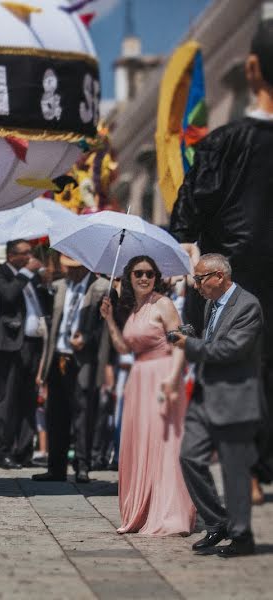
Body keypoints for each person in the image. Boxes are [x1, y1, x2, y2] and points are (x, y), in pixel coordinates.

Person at [170, 17, 273, 504]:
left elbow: (190, 209)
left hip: (234, 283)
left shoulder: (223, 143)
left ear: (252, 70)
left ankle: (246, 473)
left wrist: (187, 249)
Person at [169, 254, 265, 556]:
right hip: (205, 394)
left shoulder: (248, 306)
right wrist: (192, 336)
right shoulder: (212, 303)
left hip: (234, 398)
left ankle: (242, 537)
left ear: (219, 277)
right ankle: (217, 522)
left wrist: (190, 346)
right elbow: (213, 341)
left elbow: (230, 350)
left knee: (234, 472)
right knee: (189, 457)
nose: (195, 285)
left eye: (200, 278)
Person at [100, 256, 195, 536]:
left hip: (162, 376)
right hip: (139, 379)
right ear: (129, 277)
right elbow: (122, 348)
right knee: (140, 443)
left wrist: (172, 378)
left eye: (150, 274)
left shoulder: (163, 304)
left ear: (156, 277)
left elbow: (180, 344)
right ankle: (143, 511)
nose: (144, 278)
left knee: (165, 444)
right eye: (139, 273)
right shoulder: (132, 309)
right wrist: (109, 320)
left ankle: (170, 513)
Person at [33, 256, 110, 484]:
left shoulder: (100, 288)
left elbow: (104, 327)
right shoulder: (60, 287)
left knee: (83, 414)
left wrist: (87, 337)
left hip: (83, 359)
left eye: (77, 268)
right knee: (56, 413)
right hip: (59, 356)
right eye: (70, 267)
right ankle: (55, 467)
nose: (72, 272)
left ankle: (82, 465)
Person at [0, 240, 50, 470]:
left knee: (28, 399)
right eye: (25, 253)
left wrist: (45, 284)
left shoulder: (32, 277)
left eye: (31, 254)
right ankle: (2, 451)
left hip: (33, 344)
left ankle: (23, 451)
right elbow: (7, 296)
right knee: (8, 400)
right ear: (12, 255)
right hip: (10, 345)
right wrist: (26, 272)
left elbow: (42, 304)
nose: (30, 257)